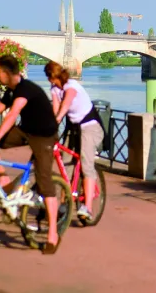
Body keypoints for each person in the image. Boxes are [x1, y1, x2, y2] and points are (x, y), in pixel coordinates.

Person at [0, 54, 62, 254]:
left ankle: (53, 234)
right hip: (26, 131)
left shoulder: (25, 89)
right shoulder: (10, 91)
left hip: (44, 135)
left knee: (45, 181)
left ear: (8, 73)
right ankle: (6, 184)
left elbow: (11, 115)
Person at [45, 60, 105, 223]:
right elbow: (56, 108)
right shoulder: (54, 89)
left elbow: (65, 106)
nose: (50, 81)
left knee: (86, 164)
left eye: (50, 77)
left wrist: (57, 119)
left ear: (55, 75)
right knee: (66, 165)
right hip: (74, 128)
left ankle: (88, 208)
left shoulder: (72, 86)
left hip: (90, 126)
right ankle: (64, 204)